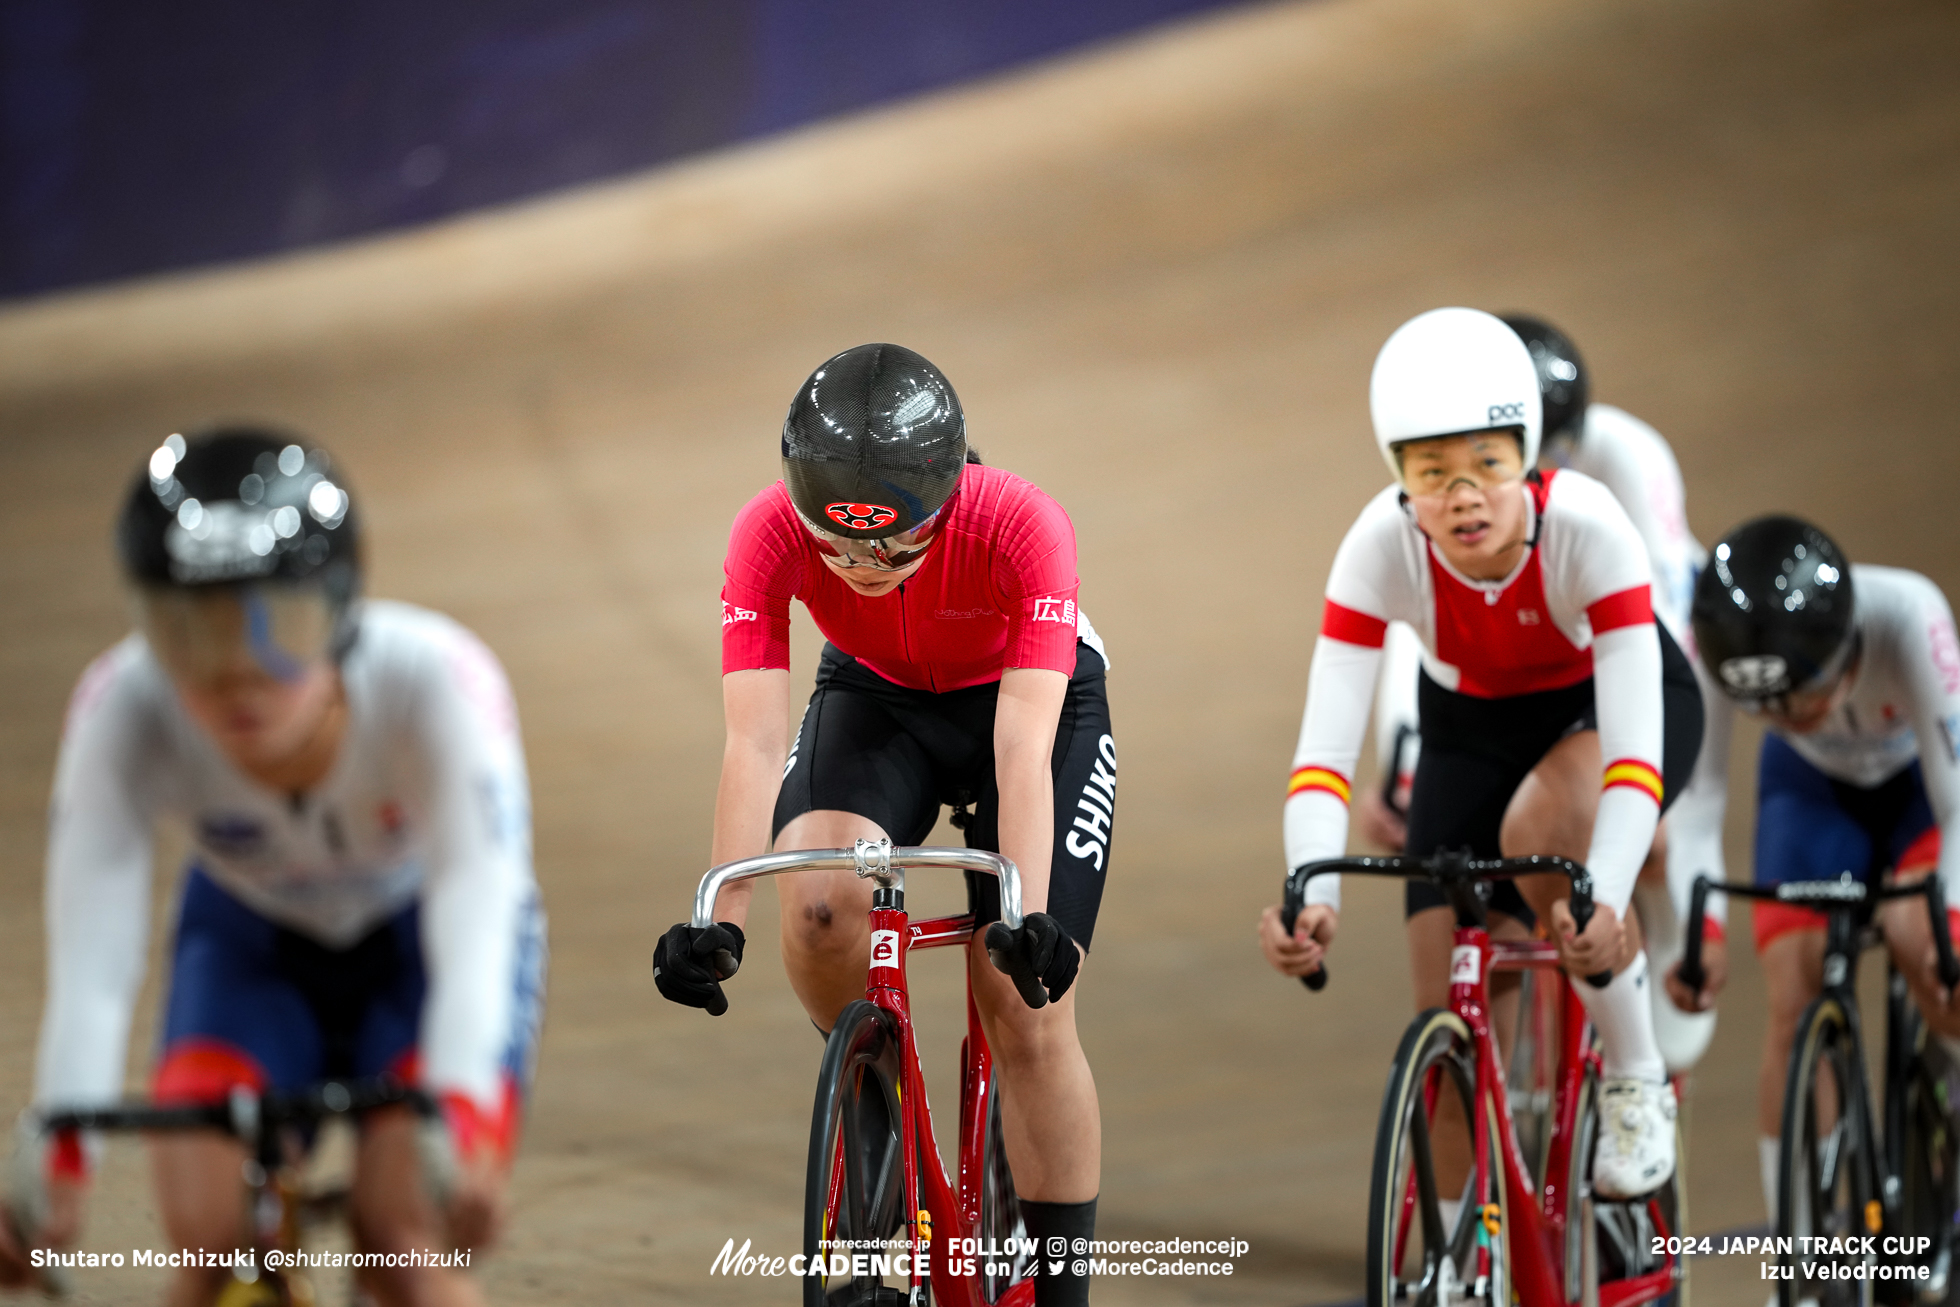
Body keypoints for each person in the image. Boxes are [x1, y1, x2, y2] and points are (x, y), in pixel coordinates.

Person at [0, 429, 544, 1307]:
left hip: (421, 949)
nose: (236, 678)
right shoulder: (122, 707)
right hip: (249, 943)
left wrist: (465, 1113)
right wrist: (60, 1157)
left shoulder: (436, 680)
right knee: (207, 1251)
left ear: (340, 611)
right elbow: (93, 967)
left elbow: (477, 908)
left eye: (276, 629)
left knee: (401, 1243)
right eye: (188, 639)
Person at [652, 343, 1111, 1307]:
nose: (866, 569)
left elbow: (1023, 746)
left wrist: (1023, 916)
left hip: (1029, 703)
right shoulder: (766, 532)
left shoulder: (1025, 525)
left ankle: (1062, 1289)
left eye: (899, 548)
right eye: (841, 546)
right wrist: (721, 914)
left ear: (949, 500)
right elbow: (753, 738)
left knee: (1025, 1003)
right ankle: (867, 1095)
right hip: (876, 694)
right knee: (818, 902)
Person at [1259, 307, 1703, 1198]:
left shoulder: (1590, 524)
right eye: (1433, 472)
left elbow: (1633, 765)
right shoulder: (1377, 546)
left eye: (1488, 466)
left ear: (1529, 456)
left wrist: (1607, 892)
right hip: (1469, 732)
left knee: (1556, 856)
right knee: (1448, 1034)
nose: (1462, 496)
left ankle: (1636, 1071)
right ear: (1400, 477)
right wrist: (1311, 888)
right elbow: (1321, 757)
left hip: (1606, 718)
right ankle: (1462, 1271)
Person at [1357, 313, 1728, 1073]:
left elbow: (1663, 618)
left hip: (1626, 647)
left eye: (1558, 448)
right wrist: (1399, 766)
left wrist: (1660, 802)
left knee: (1621, 825)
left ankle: (1651, 943)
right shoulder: (1435, 503)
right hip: (1503, 685)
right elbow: (1417, 636)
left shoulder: (1623, 455)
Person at [1673, 514, 1960, 1232]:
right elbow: (1699, 805)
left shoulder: (1906, 614)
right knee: (1793, 995)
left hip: (1923, 790)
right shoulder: (1715, 651)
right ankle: (1800, 1245)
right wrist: (1699, 928)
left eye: (1803, 695)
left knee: (1918, 936)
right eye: (1765, 706)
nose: (1789, 716)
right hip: (1810, 794)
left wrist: (1949, 929)